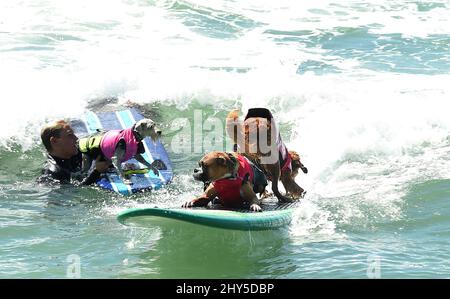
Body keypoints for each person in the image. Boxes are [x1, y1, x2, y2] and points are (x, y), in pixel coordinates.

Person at [37, 120, 111, 185]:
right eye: (70, 135)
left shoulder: (73, 151)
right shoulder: (54, 173)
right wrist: (97, 172)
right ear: (54, 141)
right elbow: (78, 190)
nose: (76, 138)